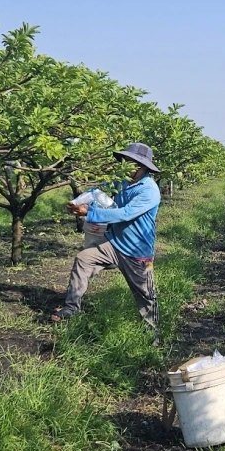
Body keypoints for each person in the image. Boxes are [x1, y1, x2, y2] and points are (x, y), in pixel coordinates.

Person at [53, 143, 162, 340]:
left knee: (146, 294)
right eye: (126, 161)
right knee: (83, 259)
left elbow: (125, 213)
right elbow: (98, 190)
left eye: (133, 162)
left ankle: (152, 335)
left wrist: (91, 212)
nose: (128, 165)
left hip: (137, 252)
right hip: (113, 243)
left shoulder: (149, 190)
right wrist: (78, 202)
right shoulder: (122, 182)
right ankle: (71, 309)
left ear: (143, 167)